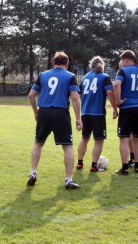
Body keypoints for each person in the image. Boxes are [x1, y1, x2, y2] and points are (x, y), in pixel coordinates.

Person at [26, 51, 82, 189]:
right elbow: (75, 97)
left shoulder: (43, 75)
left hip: (44, 111)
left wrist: (35, 112)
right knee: (67, 146)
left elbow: (31, 95)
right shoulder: (70, 76)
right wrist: (78, 118)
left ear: (53, 63)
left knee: (38, 143)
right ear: (67, 64)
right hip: (61, 112)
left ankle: (33, 173)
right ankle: (68, 180)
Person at [77, 56, 118, 172]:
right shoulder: (104, 77)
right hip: (98, 114)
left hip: (85, 113)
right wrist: (115, 108)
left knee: (84, 138)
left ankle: (80, 163)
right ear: (102, 65)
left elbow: (78, 95)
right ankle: (94, 165)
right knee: (98, 140)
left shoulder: (85, 77)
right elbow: (110, 93)